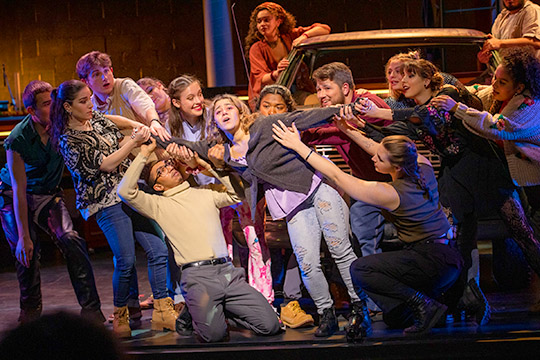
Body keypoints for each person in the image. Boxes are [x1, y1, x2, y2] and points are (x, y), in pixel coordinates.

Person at [156, 94, 361, 337]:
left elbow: (304, 117)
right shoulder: (223, 151)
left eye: (228, 107)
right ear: (216, 123)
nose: (223, 111)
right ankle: (326, 313)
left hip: (316, 188)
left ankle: (361, 309)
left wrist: (344, 109)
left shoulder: (264, 126)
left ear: (240, 112)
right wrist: (154, 135)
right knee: (308, 264)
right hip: (291, 205)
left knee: (340, 250)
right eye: (218, 111)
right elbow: (183, 143)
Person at [359, 58, 540, 325]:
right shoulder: (411, 110)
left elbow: (430, 116)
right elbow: (395, 131)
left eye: (410, 76)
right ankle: (459, 300)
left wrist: (381, 113)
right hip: (453, 172)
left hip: (481, 163)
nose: (404, 82)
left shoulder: (447, 94)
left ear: (426, 80)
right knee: (458, 240)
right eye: (402, 76)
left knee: (521, 231)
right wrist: (356, 124)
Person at [273, 117, 463, 339]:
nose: (373, 157)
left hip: (431, 261)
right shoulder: (422, 165)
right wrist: (348, 131)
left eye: (380, 158)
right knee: (395, 318)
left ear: (396, 166)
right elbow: (378, 147)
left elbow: (337, 175)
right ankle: (463, 297)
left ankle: (425, 304)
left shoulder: (392, 193)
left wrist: (298, 145)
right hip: (449, 257)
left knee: (361, 269)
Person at [117, 138, 281, 343]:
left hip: (229, 273)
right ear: (158, 186)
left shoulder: (205, 193)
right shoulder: (157, 204)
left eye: (168, 164)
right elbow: (125, 192)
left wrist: (208, 167)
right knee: (215, 336)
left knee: (271, 326)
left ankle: (212, 310)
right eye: (162, 171)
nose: (169, 168)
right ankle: (195, 313)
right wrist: (144, 154)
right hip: (198, 277)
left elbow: (238, 195)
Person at [49, 80, 175, 337]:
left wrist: (136, 125)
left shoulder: (93, 118)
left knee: (158, 249)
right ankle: (121, 316)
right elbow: (103, 165)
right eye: (83, 101)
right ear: (67, 107)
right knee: (126, 259)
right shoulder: (68, 139)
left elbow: (111, 120)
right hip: (104, 200)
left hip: (129, 192)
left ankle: (163, 311)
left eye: (89, 99)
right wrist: (132, 143)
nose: (90, 105)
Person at [431, 46, 540, 292]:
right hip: (520, 181)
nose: (495, 84)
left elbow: (497, 127)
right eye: (494, 77)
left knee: (531, 239)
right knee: (525, 237)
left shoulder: (529, 106)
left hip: (536, 183)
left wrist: (456, 108)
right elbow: (476, 90)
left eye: (502, 81)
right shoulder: (502, 94)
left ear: (520, 87)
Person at [0, 80, 104, 324]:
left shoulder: (64, 124)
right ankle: (30, 315)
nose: (53, 108)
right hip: (14, 196)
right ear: (31, 111)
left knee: (71, 239)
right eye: (46, 104)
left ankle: (92, 312)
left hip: (48, 194)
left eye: (54, 102)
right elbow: (19, 188)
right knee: (26, 250)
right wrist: (24, 235)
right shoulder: (18, 138)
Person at [76, 51, 170, 318]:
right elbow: (104, 138)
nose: (105, 77)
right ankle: (128, 308)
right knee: (126, 255)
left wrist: (151, 121)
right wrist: (132, 134)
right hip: (118, 184)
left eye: (107, 70)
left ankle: (168, 300)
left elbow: (142, 103)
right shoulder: (88, 106)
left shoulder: (124, 86)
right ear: (85, 80)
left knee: (160, 243)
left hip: (150, 168)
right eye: (96, 74)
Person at [167, 75, 274, 304]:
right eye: (191, 97)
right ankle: (225, 298)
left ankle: (263, 298)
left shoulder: (217, 114)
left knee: (254, 240)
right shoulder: (173, 127)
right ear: (177, 102)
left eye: (199, 94)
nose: (199, 101)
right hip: (208, 195)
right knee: (220, 247)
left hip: (236, 188)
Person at [301, 62, 392, 260]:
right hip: (365, 184)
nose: (321, 95)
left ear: (345, 88)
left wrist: (298, 134)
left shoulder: (367, 103)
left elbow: (335, 134)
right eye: (318, 89)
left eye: (327, 88)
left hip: (395, 184)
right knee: (362, 243)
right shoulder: (335, 110)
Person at [253, 84, 314, 329]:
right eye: (266, 106)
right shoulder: (252, 132)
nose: (272, 112)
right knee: (258, 250)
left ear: (288, 109)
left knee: (294, 248)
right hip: (259, 202)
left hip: (291, 200)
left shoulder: (295, 134)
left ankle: (291, 301)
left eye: (279, 107)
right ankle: (263, 301)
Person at [245, 2, 330, 109]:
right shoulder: (256, 48)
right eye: (259, 21)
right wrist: (277, 73)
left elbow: (324, 29)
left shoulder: (289, 36)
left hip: (295, 90)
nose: (262, 24)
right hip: (268, 98)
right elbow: (261, 78)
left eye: (266, 20)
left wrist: (303, 37)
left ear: (278, 21)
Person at [478, 0, 540, 64]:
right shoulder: (502, 15)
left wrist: (500, 43)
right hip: (505, 70)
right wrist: (486, 55)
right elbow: (495, 44)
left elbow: (536, 42)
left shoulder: (532, 10)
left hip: (527, 71)